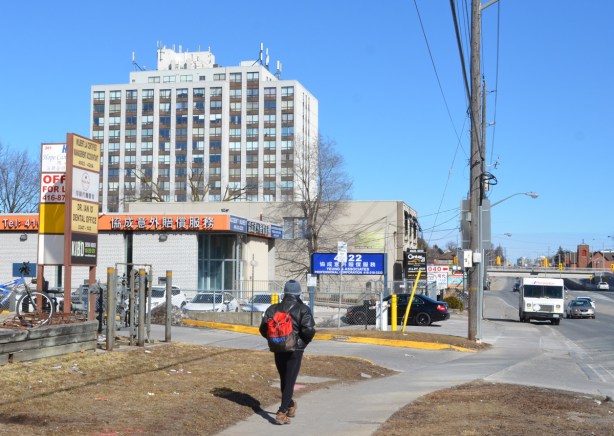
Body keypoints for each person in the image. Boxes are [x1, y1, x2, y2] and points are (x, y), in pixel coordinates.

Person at [259, 279, 316, 425]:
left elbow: (263, 329)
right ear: (298, 293)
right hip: (295, 349)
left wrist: (275, 340)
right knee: (289, 380)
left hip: (278, 348)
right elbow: (308, 330)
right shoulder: (303, 309)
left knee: (285, 378)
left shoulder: (273, 308)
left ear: (284, 292)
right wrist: (302, 343)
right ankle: (282, 411)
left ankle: (290, 405)